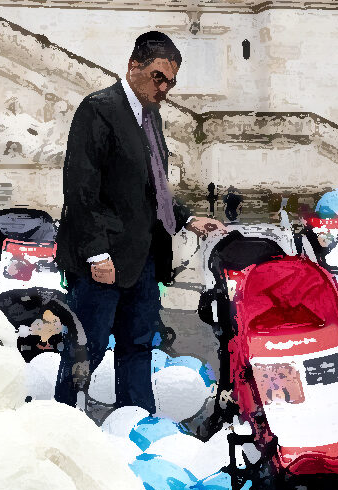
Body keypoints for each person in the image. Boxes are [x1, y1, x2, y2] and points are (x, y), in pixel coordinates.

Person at [55, 31, 226, 412]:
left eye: (171, 82)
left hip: (144, 258)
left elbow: (153, 189)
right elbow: (80, 187)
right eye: (158, 77)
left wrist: (188, 217)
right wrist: (97, 253)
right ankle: (63, 422)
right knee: (87, 349)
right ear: (134, 67)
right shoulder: (98, 108)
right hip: (104, 260)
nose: (164, 88)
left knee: (138, 347)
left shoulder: (152, 118)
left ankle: (136, 422)